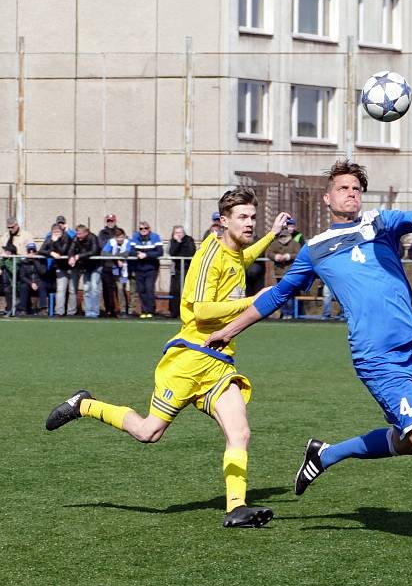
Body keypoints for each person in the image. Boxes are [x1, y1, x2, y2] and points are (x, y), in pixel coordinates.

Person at [204, 160, 412, 553]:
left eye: (357, 189)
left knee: (411, 440)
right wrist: (228, 330)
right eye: (343, 188)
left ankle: (327, 454)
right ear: (327, 197)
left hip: (411, 348)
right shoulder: (314, 249)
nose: (351, 193)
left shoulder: (380, 224)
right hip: (375, 357)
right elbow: (277, 296)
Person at [45, 188, 289, 529]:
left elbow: (243, 259)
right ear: (224, 221)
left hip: (218, 364)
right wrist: (253, 301)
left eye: (252, 217)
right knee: (148, 432)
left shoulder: (234, 253)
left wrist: (271, 236)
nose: (249, 223)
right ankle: (85, 405)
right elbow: (201, 312)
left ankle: (236, 507)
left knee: (240, 432)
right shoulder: (209, 256)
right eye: (242, 217)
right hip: (189, 359)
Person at [266, 216, 302, 319]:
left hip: (290, 272)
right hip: (279, 272)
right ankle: (284, 313)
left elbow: (299, 255)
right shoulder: (275, 244)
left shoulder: (295, 244)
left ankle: (291, 314)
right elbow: (269, 253)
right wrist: (276, 257)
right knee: (281, 294)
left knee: (290, 294)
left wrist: (288, 256)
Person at [39, 222, 77, 316]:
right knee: (60, 289)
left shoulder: (66, 237)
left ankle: (71, 312)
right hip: (60, 267)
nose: (56, 233)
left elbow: (62, 251)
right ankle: (59, 311)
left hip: (71, 266)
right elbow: (41, 250)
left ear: (62, 231)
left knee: (72, 290)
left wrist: (55, 242)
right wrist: (51, 253)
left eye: (58, 231)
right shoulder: (49, 238)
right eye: (54, 231)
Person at [1, 217, 35, 315]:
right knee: (7, 287)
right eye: (8, 228)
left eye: (12, 227)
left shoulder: (27, 235)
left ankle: (24, 308)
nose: (10, 229)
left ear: (17, 225)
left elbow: (32, 252)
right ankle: (10, 309)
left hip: (23, 266)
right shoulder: (5, 236)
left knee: (22, 287)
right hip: (7, 266)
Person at [129, 221, 163, 318]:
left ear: (149, 229)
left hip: (151, 268)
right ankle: (144, 310)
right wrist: (137, 254)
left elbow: (159, 252)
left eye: (145, 228)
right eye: (141, 229)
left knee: (149, 289)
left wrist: (146, 255)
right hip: (139, 268)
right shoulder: (135, 237)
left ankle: (151, 311)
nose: (143, 230)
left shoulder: (155, 237)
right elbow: (131, 251)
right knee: (141, 290)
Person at [68, 224, 101, 318]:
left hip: (96, 266)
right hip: (86, 267)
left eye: (80, 234)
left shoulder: (93, 238)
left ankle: (94, 312)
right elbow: (71, 250)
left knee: (94, 288)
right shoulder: (76, 238)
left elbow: (94, 251)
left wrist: (78, 256)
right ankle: (88, 311)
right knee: (86, 289)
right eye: (77, 233)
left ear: (86, 232)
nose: (78, 236)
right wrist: (71, 257)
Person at [101, 227, 132, 316]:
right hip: (114, 269)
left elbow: (126, 253)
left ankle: (123, 309)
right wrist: (116, 258)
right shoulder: (111, 242)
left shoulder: (127, 242)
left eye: (121, 237)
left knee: (121, 288)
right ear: (115, 237)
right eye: (118, 237)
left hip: (124, 271)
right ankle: (112, 309)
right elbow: (104, 253)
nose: (120, 239)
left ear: (124, 236)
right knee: (111, 289)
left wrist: (117, 257)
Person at [168, 225, 196, 319]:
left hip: (187, 268)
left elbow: (191, 252)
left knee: (187, 291)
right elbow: (172, 252)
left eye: (181, 232)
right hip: (177, 269)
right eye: (177, 232)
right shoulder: (173, 241)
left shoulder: (189, 240)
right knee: (175, 290)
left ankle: (187, 312)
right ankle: (174, 312)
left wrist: (181, 242)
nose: (179, 234)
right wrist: (178, 242)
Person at [16, 242, 48, 315]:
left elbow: (42, 272)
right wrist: (31, 283)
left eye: (33, 251)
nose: (31, 253)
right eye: (29, 251)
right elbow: (22, 276)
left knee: (42, 286)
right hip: (28, 282)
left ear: (36, 251)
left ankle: (43, 309)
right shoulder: (24, 262)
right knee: (23, 286)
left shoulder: (41, 260)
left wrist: (35, 261)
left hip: (39, 281)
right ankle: (23, 309)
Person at [98, 213, 119, 316]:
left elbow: (123, 244)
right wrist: (113, 243)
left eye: (112, 221)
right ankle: (109, 309)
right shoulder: (102, 233)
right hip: (106, 264)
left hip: (117, 265)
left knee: (118, 288)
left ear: (115, 221)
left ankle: (120, 309)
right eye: (108, 221)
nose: (110, 222)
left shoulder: (119, 232)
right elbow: (102, 245)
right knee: (106, 288)